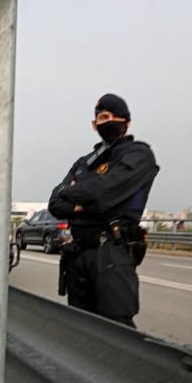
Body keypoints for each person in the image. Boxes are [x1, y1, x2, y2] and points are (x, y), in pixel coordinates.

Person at [48, 93, 159, 327]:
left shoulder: (138, 155)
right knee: (80, 327)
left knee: (116, 329)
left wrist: (76, 197)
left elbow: (103, 193)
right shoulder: (84, 162)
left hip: (111, 253)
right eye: (100, 117)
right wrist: (85, 200)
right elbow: (55, 204)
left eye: (109, 116)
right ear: (93, 124)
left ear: (125, 121)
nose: (105, 121)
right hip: (79, 254)